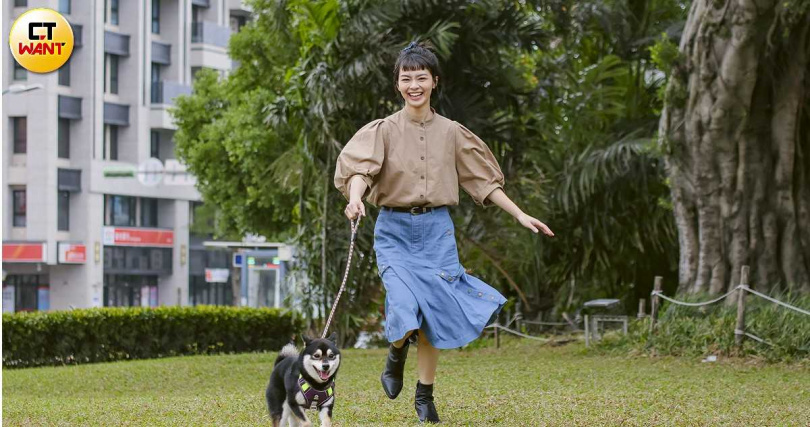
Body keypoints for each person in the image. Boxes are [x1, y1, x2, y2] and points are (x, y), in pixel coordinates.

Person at [334, 41, 554, 424]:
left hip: (436, 232)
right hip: (395, 230)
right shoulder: (382, 130)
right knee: (404, 305)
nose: (414, 85)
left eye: (421, 77)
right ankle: (396, 352)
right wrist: (355, 200)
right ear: (397, 84)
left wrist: (520, 214)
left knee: (432, 315)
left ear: (434, 81)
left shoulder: (452, 132)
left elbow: (483, 181)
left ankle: (424, 396)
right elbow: (360, 172)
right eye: (406, 78)